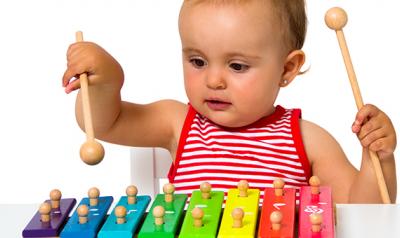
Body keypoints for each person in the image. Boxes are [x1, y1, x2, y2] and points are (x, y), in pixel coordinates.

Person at [62, 0, 397, 204]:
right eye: (197, 61)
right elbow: (106, 123)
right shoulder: (176, 123)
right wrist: (107, 82)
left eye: (237, 66)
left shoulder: (307, 140)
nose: (213, 80)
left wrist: (377, 158)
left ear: (287, 68)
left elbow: (363, 212)